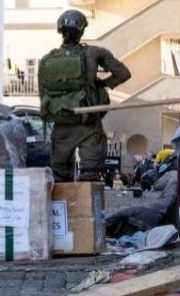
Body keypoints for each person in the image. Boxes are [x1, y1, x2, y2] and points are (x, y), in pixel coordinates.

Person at [38, 9, 131, 182]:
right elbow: (123, 74)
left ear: (60, 31)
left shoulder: (46, 60)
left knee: (60, 178)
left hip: (61, 128)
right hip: (89, 126)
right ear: (82, 31)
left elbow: (43, 98)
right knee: (90, 177)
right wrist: (101, 84)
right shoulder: (94, 53)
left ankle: (63, 208)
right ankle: (87, 209)